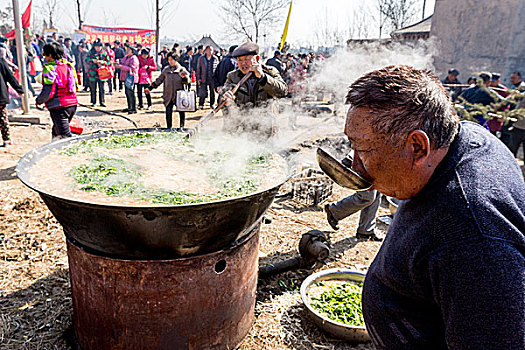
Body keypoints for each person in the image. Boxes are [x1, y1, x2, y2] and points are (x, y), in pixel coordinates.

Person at [341, 65, 524, 349]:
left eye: (362, 149)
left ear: (417, 147)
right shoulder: (466, 136)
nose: (355, 165)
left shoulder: (473, 244)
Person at [221, 41, 287, 135]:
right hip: (243, 130)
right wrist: (227, 100)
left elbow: (283, 91)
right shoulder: (233, 77)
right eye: (240, 60)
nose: (243, 63)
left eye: (247, 59)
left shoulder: (270, 72)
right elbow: (222, 98)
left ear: (257, 59)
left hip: (267, 130)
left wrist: (263, 78)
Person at [324, 152, 383, 241]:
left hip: (375, 162)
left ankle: (366, 231)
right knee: (366, 197)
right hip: (362, 160)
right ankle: (334, 211)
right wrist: (351, 158)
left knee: (376, 194)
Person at [36, 42, 78, 140]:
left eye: (45, 54)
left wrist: (39, 100)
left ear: (50, 55)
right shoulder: (68, 66)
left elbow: (48, 92)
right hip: (72, 105)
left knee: (65, 137)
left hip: (59, 107)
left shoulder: (49, 69)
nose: (44, 57)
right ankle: (52, 150)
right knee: (56, 130)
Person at [146, 52, 190, 129]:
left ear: (176, 60)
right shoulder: (166, 70)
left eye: (172, 60)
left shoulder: (181, 69)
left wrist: (184, 78)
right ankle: (169, 128)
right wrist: (150, 87)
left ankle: (182, 127)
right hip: (168, 95)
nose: (170, 61)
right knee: (168, 112)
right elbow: (159, 80)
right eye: (169, 60)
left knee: (181, 111)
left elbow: (187, 81)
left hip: (179, 95)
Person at [0, 52, 23, 147]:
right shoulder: (1, 61)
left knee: (2, 118)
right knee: (2, 118)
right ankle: (7, 139)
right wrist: (19, 89)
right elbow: (10, 77)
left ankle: (7, 140)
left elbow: (10, 77)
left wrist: (18, 89)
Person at [85, 40, 110, 107]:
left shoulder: (104, 53)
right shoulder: (90, 53)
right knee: (93, 88)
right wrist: (92, 61)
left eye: (99, 46)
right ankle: (93, 102)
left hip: (102, 73)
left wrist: (103, 62)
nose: (98, 48)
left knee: (101, 88)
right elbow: (86, 60)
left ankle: (102, 101)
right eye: (96, 46)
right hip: (92, 73)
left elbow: (109, 62)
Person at [115, 45, 139, 114]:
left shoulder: (134, 58)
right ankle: (129, 107)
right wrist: (118, 62)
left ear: (133, 52)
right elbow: (122, 62)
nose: (127, 51)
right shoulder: (126, 57)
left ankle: (133, 108)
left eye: (128, 50)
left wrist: (121, 67)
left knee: (131, 93)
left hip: (131, 78)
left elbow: (132, 68)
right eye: (126, 50)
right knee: (127, 93)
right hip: (126, 78)